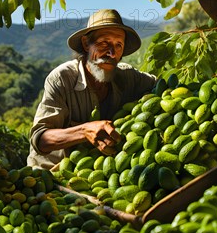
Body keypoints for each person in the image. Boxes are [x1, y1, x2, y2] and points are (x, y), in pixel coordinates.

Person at [27, 9, 157, 169]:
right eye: (104, 43)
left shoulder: (128, 77)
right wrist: (84, 131)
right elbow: (41, 139)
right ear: (86, 44)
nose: (111, 53)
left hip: (97, 174)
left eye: (118, 45)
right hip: (50, 175)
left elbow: (163, 87)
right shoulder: (62, 78)